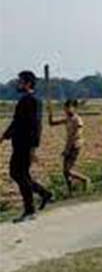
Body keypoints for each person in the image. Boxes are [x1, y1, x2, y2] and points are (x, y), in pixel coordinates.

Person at [0, 71, 53, 223]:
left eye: (21, 81)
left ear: (28, 83)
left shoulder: (33, 101)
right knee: (21, 174)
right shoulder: (25, 100)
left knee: (18, 174)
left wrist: (33, 148)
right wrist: (4, 136)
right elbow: (16, 122)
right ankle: (44, 194)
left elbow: (36, 126)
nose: (18, 84)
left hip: (26, 145)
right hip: (19, 144)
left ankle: (30, 210)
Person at [48, 99, 89, 196]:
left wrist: (67, 149)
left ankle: (85, 180)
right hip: (68, 145)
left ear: (74, 108)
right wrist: (50, 112)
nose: (67, 110)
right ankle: (70, 192)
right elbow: (52, 123)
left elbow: (76, 134)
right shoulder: (67, 119)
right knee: (65, 172)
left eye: (69, 107)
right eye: (65, 108)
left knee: (68, 170)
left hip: (75, 145)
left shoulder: (77, 119)